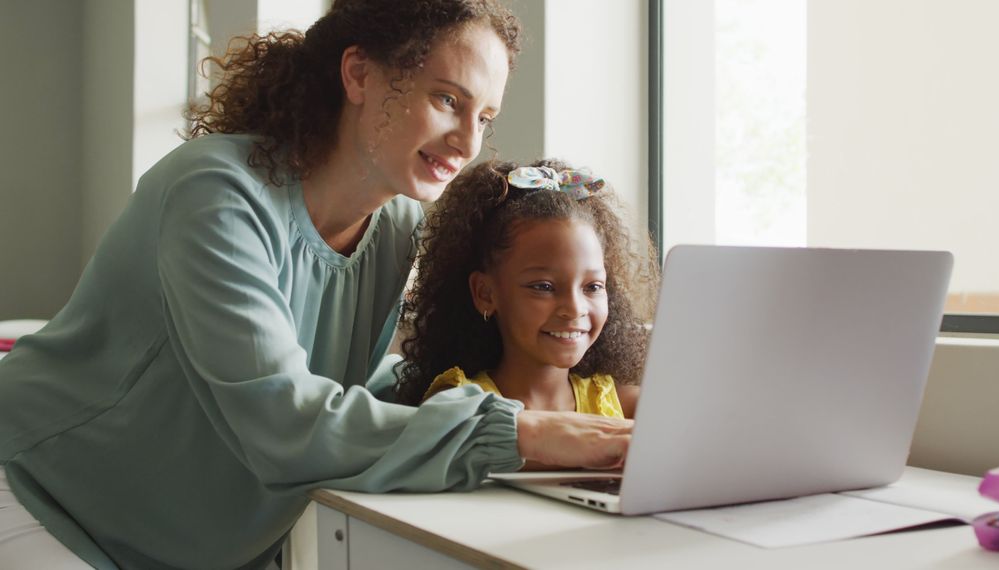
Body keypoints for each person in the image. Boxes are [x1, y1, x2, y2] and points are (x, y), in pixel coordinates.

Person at [0, 1, 633, 568]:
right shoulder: (215, 195)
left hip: (194, 544)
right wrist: (517, 432)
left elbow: (345, 384)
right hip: (44, 495)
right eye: (447, 99)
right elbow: (283, 419)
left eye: (484, 116)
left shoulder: (397, 226)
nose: (468, 141)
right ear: (358, 74)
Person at [394, 160, 659, 424]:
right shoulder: (457, 401)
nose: (575, 308)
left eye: (593, 287)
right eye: (543, 287)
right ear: (485, 293)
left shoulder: (627, 406)